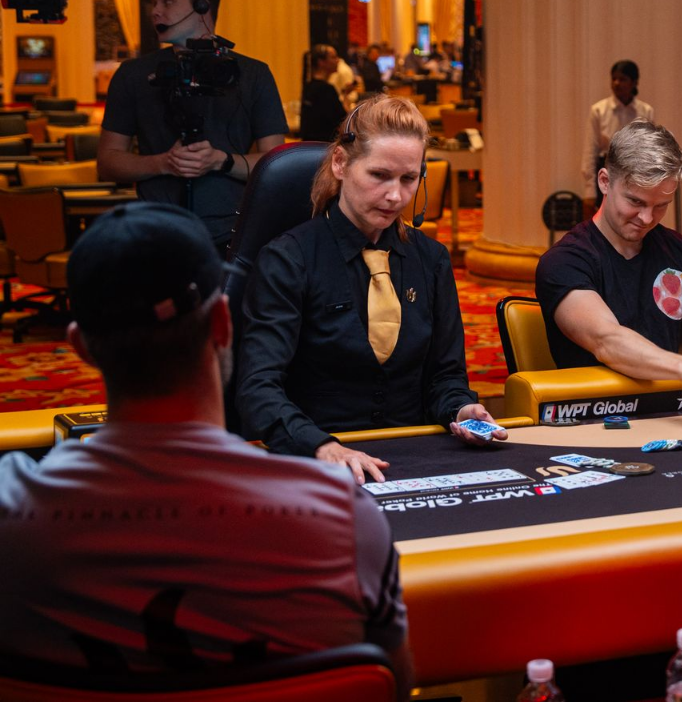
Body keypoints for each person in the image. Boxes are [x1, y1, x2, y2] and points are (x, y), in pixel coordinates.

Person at [0, 203, 412, 697]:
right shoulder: (342, 514)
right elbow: (395, 683)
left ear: (81, 348)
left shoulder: (9, 510)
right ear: (222, 322)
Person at [237, 95, 502, 484]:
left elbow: (445, 377)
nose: (396, 196)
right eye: (379, 175)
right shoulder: (288, 258)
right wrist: (321, 446)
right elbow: (258, 388)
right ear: (340, 163)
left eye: (409, 179)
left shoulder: (431, 259)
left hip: (415, 457)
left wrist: (461, 410)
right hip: (317, 457)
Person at [536, 120, 682, 395]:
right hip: (597, 409)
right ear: (605, 182)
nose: (647, 218)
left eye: (661, 206)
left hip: (668, 407)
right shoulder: (565, 261)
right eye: (635, 202)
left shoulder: (678, 249)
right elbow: (607, 341)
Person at [98, 0, 287, 250]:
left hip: (232, 234)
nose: (155, 11)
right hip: (155, 232)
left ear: (202, 7)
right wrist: (162, 163)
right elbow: (107, 162)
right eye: (154, 2)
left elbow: (274, 165)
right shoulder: (132, 74)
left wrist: (220, 161)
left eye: (167, 1)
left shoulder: (254, 74)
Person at [583, 59, 657, 204]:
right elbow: (590, 152)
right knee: (608, 217)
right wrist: (589, 191)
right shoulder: (599, 110)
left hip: (636, 174)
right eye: (614, 79)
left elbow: (650, 152)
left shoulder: (646, 111)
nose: (617, 83)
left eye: (622, 79)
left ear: (634, 82)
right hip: (607, 172)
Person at [299, 44, 346, 142]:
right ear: (321, 62)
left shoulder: (309, 86)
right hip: (324, 146)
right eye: (333, 57)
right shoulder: (326, 89)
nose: (338, 60)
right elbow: (344, 121)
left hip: (309, 146)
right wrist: (346, 95)